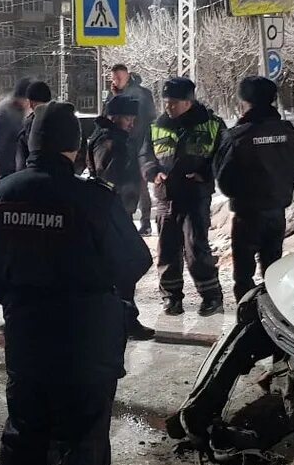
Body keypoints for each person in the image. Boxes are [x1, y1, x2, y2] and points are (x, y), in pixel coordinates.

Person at [0, 101, 151, 465]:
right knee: (84, 444)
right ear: (75, 148)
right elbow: (135, 261)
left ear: (30, 146)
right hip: (87, 338)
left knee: (25, 431)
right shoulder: (94, 200)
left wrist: (21, 297)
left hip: (28, 335)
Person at [139, 76, 226, 316]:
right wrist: (152, 172)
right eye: (166, 101)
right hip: (166, 196)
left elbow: (224, 156)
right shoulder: (157, 126)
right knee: (167, 249)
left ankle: (211, 296)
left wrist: (206, 174)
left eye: (174, 102)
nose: (169, 106)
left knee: (195, 247)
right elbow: (145, 155)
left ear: (188, 102)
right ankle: (171, 297)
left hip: (195, 196)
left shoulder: (211, 124)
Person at [214, 76, 294, 302]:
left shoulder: (238, 136)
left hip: (247, 215)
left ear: (244, 101)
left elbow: (224, 179)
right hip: (277, 212)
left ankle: (248, 320)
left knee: (243, 275)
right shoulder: (287, 131)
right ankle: (276, 317)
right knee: (274, 272)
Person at [87, 94, 155, 341]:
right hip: (113, 215)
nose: (132, 123)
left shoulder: (111, 137)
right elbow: (109, 179)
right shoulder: (110, 142)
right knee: (129, 266)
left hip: (116, 213)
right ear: (115, 117)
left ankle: (120, 319)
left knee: (123, 269)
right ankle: (124, 320)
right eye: (128, 118)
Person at [106, 64, 157, 234]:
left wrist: (147, 142)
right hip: (121, 144)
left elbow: (150, 118)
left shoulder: (142, 93)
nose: (117, 80)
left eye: (119, 77)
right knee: (122, 183)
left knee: (141, 183)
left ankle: (145, 222)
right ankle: (124, 219)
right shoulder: (112, 94)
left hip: (140, 142)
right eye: (114, 78)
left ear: (127, 75)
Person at [0, 78, 32, 179]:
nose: (29, 105)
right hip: (8, 168)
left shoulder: (20, 110)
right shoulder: (4, 113)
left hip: (19, 167)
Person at [13, 80, 54, 171]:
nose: (31, 106)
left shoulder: (30, 124)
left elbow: (22, 161)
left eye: (32, 103)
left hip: (34, 176)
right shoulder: (65, 120)